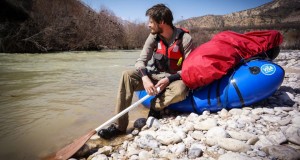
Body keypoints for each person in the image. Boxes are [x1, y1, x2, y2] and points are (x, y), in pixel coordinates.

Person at [98, 3, 194, 139]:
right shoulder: (153, 37)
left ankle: (155, 108)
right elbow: (140, 61)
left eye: (151, 22)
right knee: (127, 75)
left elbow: (188, 69)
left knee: (181, 89)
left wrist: (169, 79)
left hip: (174, 80)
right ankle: (120, 126)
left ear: (161, 22)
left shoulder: (185, 39)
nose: (148, 25)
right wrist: (145, 77)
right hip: (154, 76)